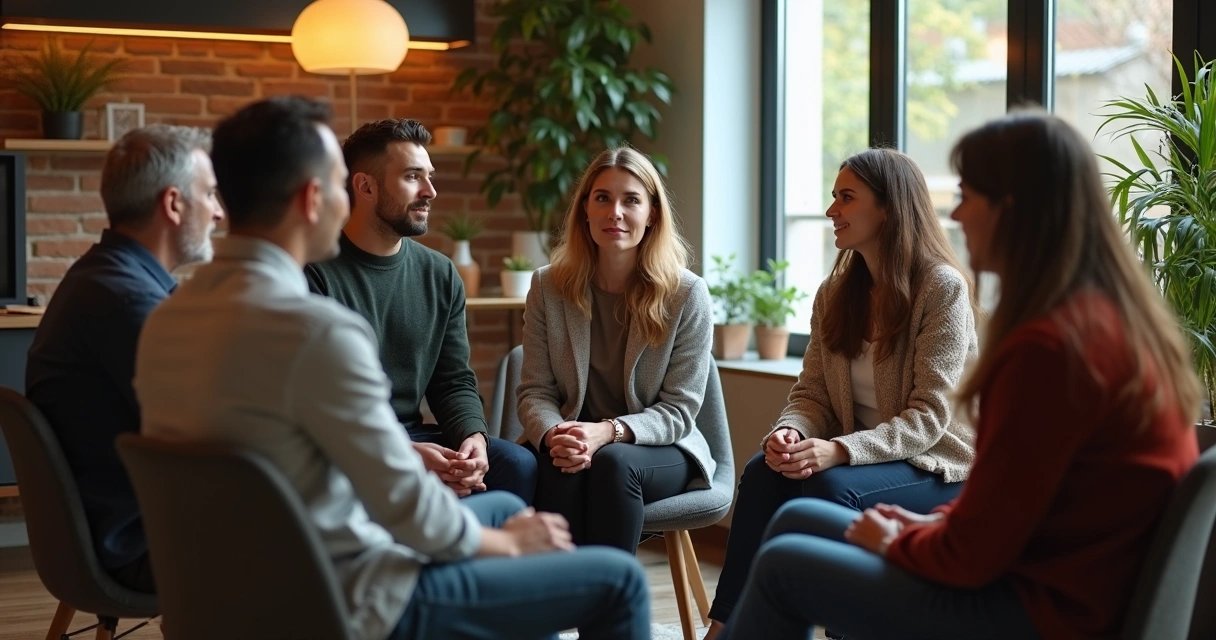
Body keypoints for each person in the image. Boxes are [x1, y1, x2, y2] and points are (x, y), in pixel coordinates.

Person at [134, 97, 650, 640]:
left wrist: (482, 475)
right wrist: (505, 545)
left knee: (501, 503)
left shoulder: (165, 320)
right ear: (313, 198)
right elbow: (402, 503)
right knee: (619, 579)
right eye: (339, 185)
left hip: (219, 594)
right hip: (343, 598)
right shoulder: (318, 331)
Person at [718, 111, 1202, 640]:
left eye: (967, 195)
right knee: (794, 522)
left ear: (1011, 209)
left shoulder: (1049, 350)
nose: (955, 212)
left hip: (1041, 610)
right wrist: (921, 526)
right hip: (1037, 574)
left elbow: (974, 551)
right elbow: (1016, 513)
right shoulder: (1095, 323)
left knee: (787, 563)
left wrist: (898, 540)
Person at [706, 148, 979, 637]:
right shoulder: (834, 294)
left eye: (846, 197)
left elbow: (929, 417)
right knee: (763, 472)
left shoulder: (942, 289)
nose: (832, 210)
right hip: (864, 457)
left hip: (938, 463)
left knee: (830, 487)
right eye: (834, 197)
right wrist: (791, 431)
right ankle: (726, 627)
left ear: (889, 207)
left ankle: (840, 628)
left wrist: (839, 450)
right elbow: (812, 393)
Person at [25, 124, 223, 592]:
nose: (218, 212)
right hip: (142, 540)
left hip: (115, 528)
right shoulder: (126, 302)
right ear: (173, 204)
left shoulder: (102, 277)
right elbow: (212, 432)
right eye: (210, 194)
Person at [305, 118, 536, 504]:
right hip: (342, 441)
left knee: (516, 463)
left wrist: (473, 441)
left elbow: (453, 380)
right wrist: (403, 453)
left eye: (429, 176)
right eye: (413, 177)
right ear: (365, 186)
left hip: (414, 434)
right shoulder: (313, 272)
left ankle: (481, 542)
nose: (430, 191)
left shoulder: (440, 273)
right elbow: (315, 399)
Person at [516, 146, 716, 553]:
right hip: (573, 439)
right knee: (559, 465)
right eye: (603, 198)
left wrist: (608, 432)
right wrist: (557, 435)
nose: (615, 213)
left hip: (658, 448)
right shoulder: (547, 286)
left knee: (612, 462)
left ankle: (611, 591)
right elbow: (535, 391)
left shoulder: (687, 294)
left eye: (631, 200)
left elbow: (679, 410)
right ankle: (560, 588)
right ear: (585, 210)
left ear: (652, 214)